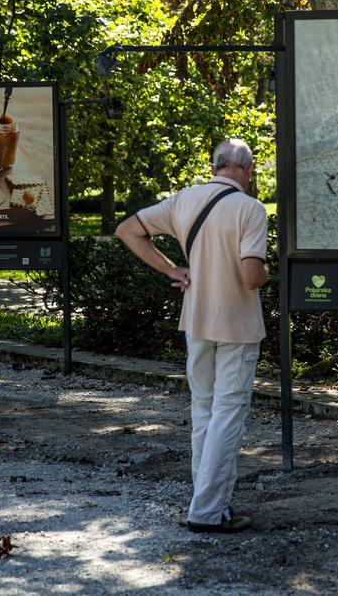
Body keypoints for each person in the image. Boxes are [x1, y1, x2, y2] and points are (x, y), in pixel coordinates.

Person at [115, 139, 269, 533]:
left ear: (216, 166)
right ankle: (206, 511)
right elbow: (252, 276)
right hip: (237, 324)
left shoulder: (183, 200)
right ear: (247, 171)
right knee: (228, 413)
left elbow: (127, 230)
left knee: (203, 411)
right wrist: (270, 273)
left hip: (195, 320)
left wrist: (171, 269)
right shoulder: (250, 209)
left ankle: (209, 503)